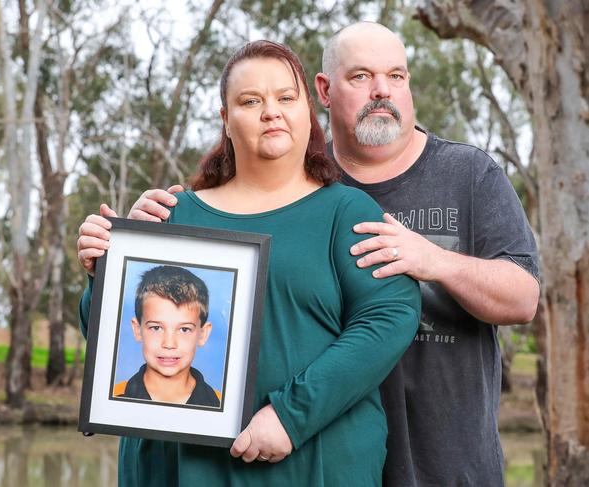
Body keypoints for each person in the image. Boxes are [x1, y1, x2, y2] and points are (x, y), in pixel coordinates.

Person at [124, 23, 540, 487]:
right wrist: (128, 251)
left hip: (441, 456)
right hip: (320, 448)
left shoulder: (468, 173)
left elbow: (524, 298)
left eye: (396, 76)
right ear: (322, 92)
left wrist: (433, 261)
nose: (382, 90)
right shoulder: (296, 186)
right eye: (361, 76)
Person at [77, 40, 421, 486]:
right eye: (250, 101)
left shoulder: (348, 213)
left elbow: (389, 317)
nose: (271, 111)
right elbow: (109, 339)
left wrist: (290, 415)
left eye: (285, 97)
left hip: (316, 462)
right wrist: (101, 273)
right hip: (182, 467)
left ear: (307, 111)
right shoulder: (174, 213)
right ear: (225, 119)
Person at [113, 265, 220, 408]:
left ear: (203, 334)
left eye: (184, 329)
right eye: (156, 328)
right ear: (137, 329)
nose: (169, 344)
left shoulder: (221, 405)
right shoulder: (114, 398)